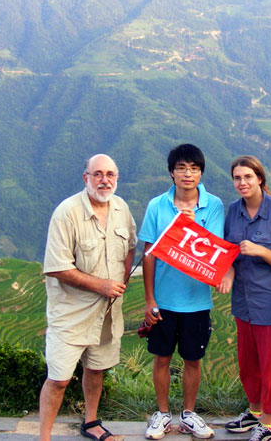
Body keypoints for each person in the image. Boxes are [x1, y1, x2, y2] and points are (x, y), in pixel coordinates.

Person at [39, 154, 137, 441]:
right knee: (58, 379)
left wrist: (120, 281)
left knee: (96, 369)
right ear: (86, 178)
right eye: (97, 174)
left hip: (107, 312)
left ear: (117, 178)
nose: (104, 180)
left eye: (110, 174)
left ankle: (91, 422)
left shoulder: (121, 208)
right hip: (71, 312)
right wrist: (102, 286)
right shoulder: (66, 212)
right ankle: (43, 436)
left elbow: (130, 246)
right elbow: (56, 267)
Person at [139, 144, 224, 440]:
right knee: (161, 358)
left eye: (194, 168)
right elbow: (149, 253)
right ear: (171, 172)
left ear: (201, 173)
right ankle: (162, 414)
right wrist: (150, 299)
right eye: (181, 168)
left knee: (192, 360)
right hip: (163, 299)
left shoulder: (213, 205)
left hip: (197, 300)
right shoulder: (156, 206)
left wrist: (188, 228)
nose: (188, 174)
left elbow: (212, 247)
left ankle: (188, 414)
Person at [216, 156, 271, 441]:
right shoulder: (233, 210)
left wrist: (261, 251)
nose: (242, 183)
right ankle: (254, 412)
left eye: (247, 177)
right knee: (248, 363)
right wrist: (227, 272)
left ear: (259, 178)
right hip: (243, 302)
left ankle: (269, 425)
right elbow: (228, 251)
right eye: (237, 178)